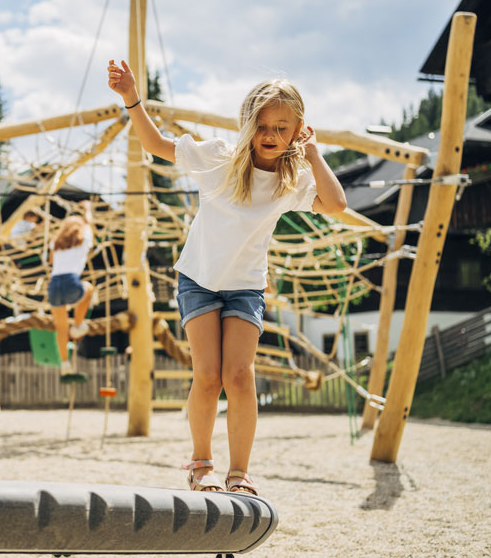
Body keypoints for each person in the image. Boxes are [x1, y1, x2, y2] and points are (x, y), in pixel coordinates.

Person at [107, 59, 346, 496]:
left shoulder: (291, 180)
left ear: (297, 131)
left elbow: (335, 205)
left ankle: (240, 473)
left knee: (240, 376)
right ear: (248, 123)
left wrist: (313, 153)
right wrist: (132, 100)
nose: (271, 136)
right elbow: (157, 144)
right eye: (263, 126)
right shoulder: (219, 158)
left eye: (283, 128)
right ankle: (201, 463)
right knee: (209, 376)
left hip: (246, 286)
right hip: (198, 278)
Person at [46, 201, 96, 377]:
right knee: (88, 289)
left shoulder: (56, 243)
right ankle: (77, 325)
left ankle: (65, 363)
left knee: (60, 328)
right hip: (71, 282)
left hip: (53, 285)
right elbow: (89, 223)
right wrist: (88, 209)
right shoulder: (83, 239)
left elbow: (51, 261)